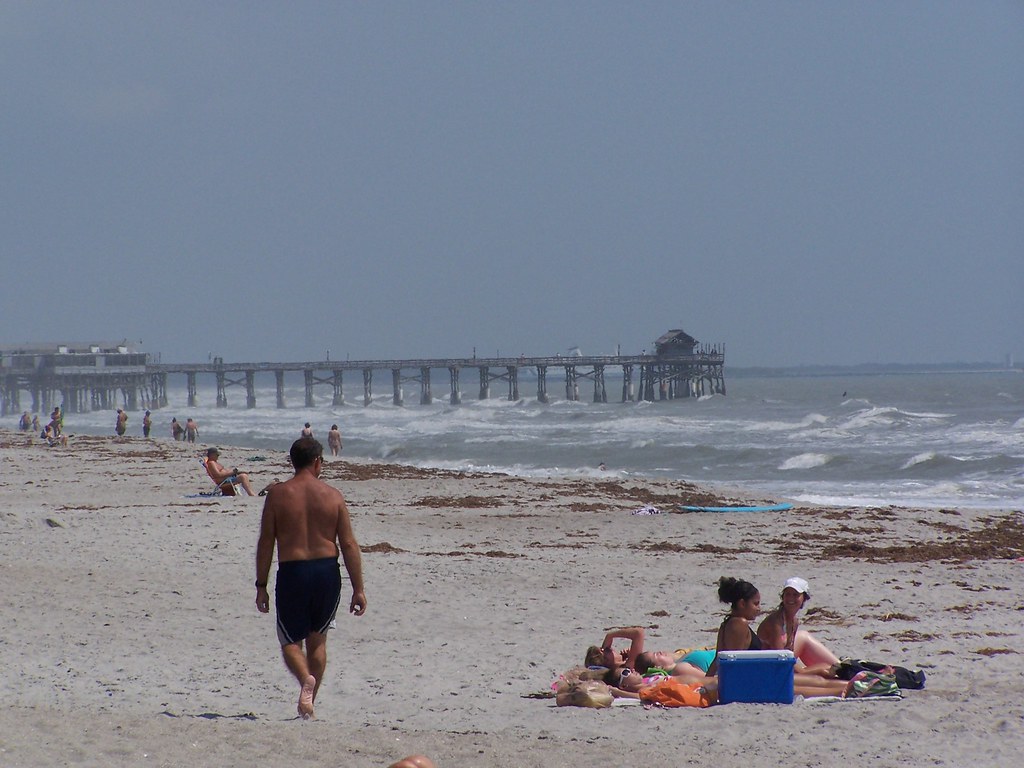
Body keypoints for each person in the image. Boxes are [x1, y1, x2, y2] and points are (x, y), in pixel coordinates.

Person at [255, 437, 366, 719]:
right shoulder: (333, 495)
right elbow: (349, 544)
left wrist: (261, 586)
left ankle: (305, 680)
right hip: (327, 572)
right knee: (318, 640)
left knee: (291, 642)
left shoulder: (278, 495)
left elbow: (266, 542)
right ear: (318, 462)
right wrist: (359, 588)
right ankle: (309, 701)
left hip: (293, 572)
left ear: (292, 462)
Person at [710, 576, 850, 697]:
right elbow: (737, 665)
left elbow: (718, 659)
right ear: (742, 603)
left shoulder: (728, 623)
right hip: (754, 682)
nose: (758, 608)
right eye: (755, 604)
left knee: (819, 680)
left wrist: (704, 682)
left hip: (754, 679)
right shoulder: (740, 623)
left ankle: (851, 686)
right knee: (819, 682)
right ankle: (851, 688)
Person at [756, 576, 841, 672]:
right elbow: (780, 659)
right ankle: (841, 670)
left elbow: (789, 656)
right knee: (823, 675)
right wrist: (814, 671)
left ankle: (843, 668)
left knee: (805, 638)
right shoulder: (775, 622)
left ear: (804, 598)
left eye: (795, 595)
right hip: (770, 670)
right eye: (787, 594)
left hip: (781, 666)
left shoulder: (794, 621)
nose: (790, 598)